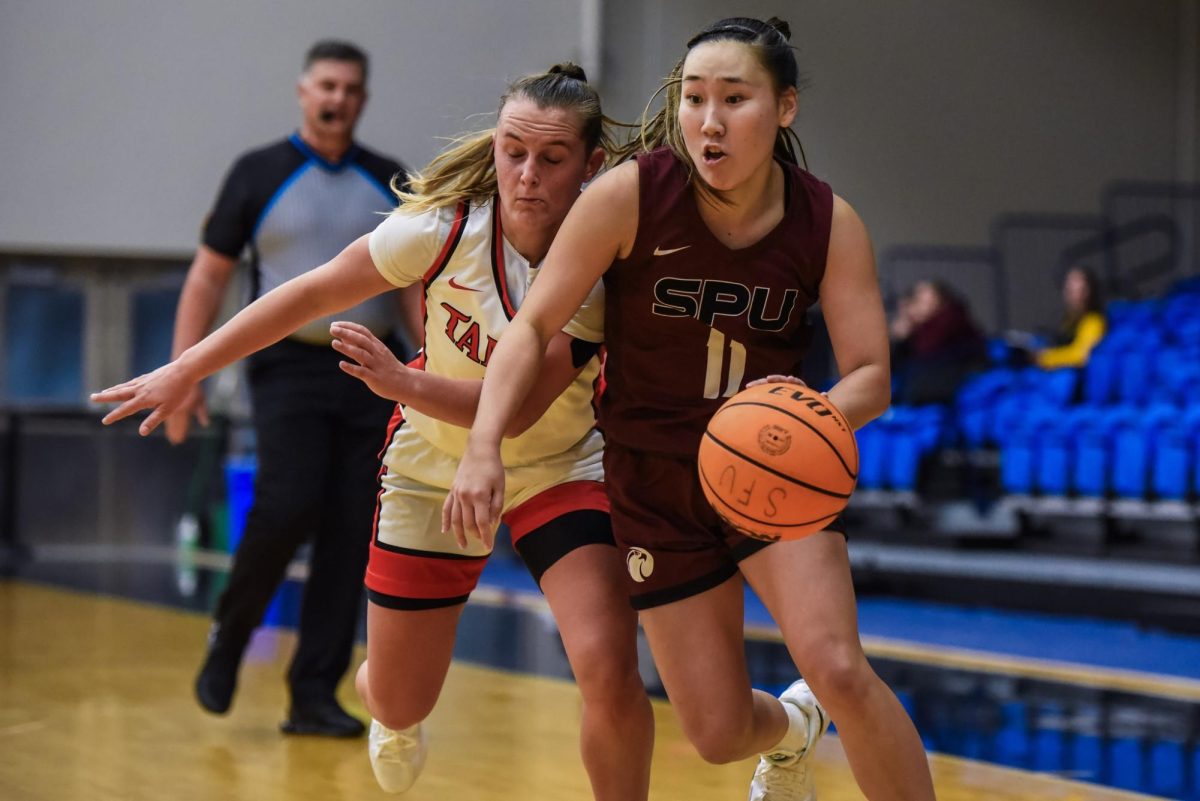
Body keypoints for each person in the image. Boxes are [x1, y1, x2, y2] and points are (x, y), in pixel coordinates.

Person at [92, 64, 654, 800]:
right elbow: (307, 292)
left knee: (608, 669)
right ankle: (394, 714)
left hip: (557, 466)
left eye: (551, 159)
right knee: (398, 696)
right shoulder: (445, 225)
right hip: (434, 465)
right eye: (513, 150)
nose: (527, 175)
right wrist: (183, 368)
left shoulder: (597, 261)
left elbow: (514, 409)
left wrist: (402, 382)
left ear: (592, 165)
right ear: (494, 147)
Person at [448, 17, 937, 801]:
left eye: (734, 99)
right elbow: (532, 324)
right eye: (694, 98)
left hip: (770, 468)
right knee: (713, 734)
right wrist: (482, 444)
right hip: (655, 482)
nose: (708, 120)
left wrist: (802, 426)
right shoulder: (631, 195)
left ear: (784, 110)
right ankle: (792, 731)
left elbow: (872, 374)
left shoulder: (828, 223)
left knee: (841, 668)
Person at [163, 39, 417, 738]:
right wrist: (184, 372)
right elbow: (209, 277)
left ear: (362, 101)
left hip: (371, 365)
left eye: (351, 90)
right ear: (305, 93)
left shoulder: (389, 180)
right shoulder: (257, 173)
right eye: (326, 86)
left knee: (350, 527)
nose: (337, 100)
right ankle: (230, 634)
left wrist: (429, 371)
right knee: (286, 502)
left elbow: (411, 287)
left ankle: (313, 692)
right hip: (286, 366)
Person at [889, 279, 987, 405]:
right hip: (927, 390)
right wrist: (900, 338)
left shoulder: (950, 318)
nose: (919, 306)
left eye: (924, 300)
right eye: (917, 299)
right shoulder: (918, 328)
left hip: (953, 388)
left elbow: (927, 352)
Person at [1035, 265, 1106, 368]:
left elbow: (1082, 355)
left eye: (1077, 288)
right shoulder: (1068, 320)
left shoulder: (1094, 321)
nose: (1070, 292)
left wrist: (1045, 357)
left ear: (1088, 291)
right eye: (1068, 287)